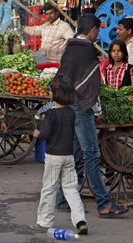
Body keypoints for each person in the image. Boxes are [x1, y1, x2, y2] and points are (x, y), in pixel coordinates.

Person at [56, 14, 129, 217]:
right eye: (97, 30)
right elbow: (91, 86)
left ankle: (62, 199)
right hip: (81, 106)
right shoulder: (87, 52)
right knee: (91, 155)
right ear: (93, 30)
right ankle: (103, 203)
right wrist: (97, 111)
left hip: (67, 104)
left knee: (75, 154)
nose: (97, 34)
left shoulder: (69, 48)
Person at [32, 75, 88, 235]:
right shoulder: (71, 113)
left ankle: (44, 221)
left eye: (50, 90)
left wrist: (37, 133)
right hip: (68, 155)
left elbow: (45, 134)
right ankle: (80, 220)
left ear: (56, 94)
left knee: (49, 188)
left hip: (53, 156)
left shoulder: (50, 114)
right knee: (71, 189)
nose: (49, 93)